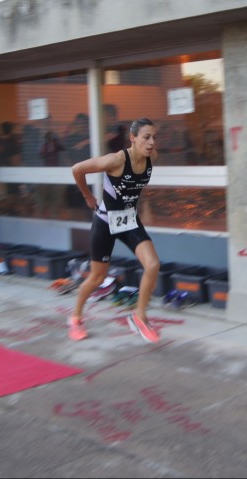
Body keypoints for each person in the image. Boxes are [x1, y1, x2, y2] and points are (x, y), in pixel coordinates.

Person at [67, 117, 161, 343]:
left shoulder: (152, 158)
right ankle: (76, 318)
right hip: (105, 223)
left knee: (152, 265)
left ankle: (139, 317)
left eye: (154, 137)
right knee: (97, 277)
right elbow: (77, 169)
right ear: (132, 138)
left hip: (129, 221)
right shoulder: (116, 160)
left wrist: (145, 208)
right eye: (146, 137)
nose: (151, 143)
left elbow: (135, 187)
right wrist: (88, 196)